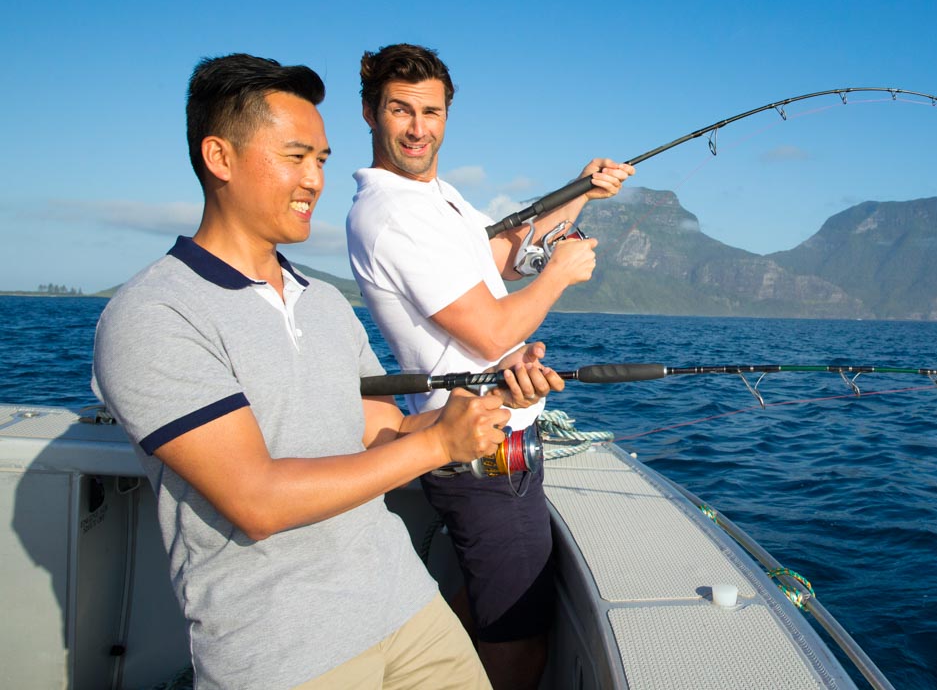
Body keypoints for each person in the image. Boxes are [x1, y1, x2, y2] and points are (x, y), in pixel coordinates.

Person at [91, 53, 563, 690]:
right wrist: (436, 442)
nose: (315, 179)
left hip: (408, 609)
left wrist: (481, 408)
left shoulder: (321, 301)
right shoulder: (155, 314)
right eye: (294, 157)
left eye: (320, 159)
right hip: (286, 652)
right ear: (219, 158)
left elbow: (380, 429)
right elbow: (255, 500)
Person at [346, 44, 634, 690]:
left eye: (432, 111)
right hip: (484, 457)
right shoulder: (392, 216)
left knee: (487, 613)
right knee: (519, 645)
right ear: (370, 113)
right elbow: (494, 325)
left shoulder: (432, 199)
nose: (419, 127)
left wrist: (579, 194)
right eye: (401, 110)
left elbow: (500, 256)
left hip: (493, 442)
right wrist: (560, 275)